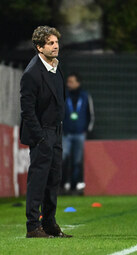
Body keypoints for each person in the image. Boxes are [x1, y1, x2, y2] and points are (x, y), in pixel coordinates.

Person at [19, 26, 72, 238]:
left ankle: (49, 224)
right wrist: (41, 137)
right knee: (38, 180)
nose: (55, 45)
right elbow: (27, 111)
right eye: (50, 43)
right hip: (42, 134)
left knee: (53, 179)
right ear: (39, 47)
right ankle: (33, 226)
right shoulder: (32, 73)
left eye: (56, 42)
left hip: (56, 131)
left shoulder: (55, 66)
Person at [62, 73, 94, 193]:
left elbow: (90, 114)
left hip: (80, 133)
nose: (68, 84)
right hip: (66, 134)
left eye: (71, 82)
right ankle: (63, 184)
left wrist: (87, 130)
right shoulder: (64, 95)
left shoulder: (85, 96)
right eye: (68, 82)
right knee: (63, 158)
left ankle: (75, 186)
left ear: (78, 83)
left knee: (77, 160)